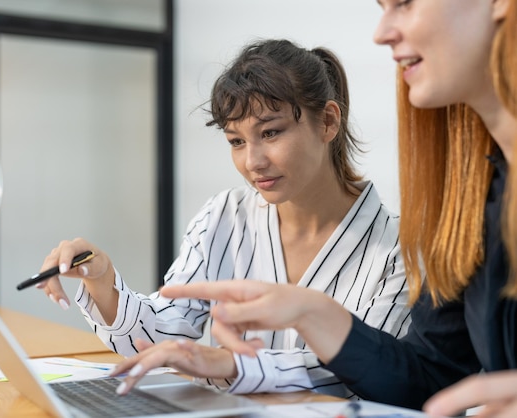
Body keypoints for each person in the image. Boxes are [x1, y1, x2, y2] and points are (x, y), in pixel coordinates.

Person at [130, 0, 517, 416]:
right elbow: (428, 376)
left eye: (405, 3)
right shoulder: (472, 201)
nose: (381, 32)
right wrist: (310, 312)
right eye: (236, 141)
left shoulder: (398, 242)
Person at [37, 39, 411, 398]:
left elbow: (374, 374)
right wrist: (102, 281)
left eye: (271, 132)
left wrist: (234, 365)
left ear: (328, 122)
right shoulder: (223, 216)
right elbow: (160, 339)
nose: (253, 162)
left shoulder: (401, 246)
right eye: (236, 141)